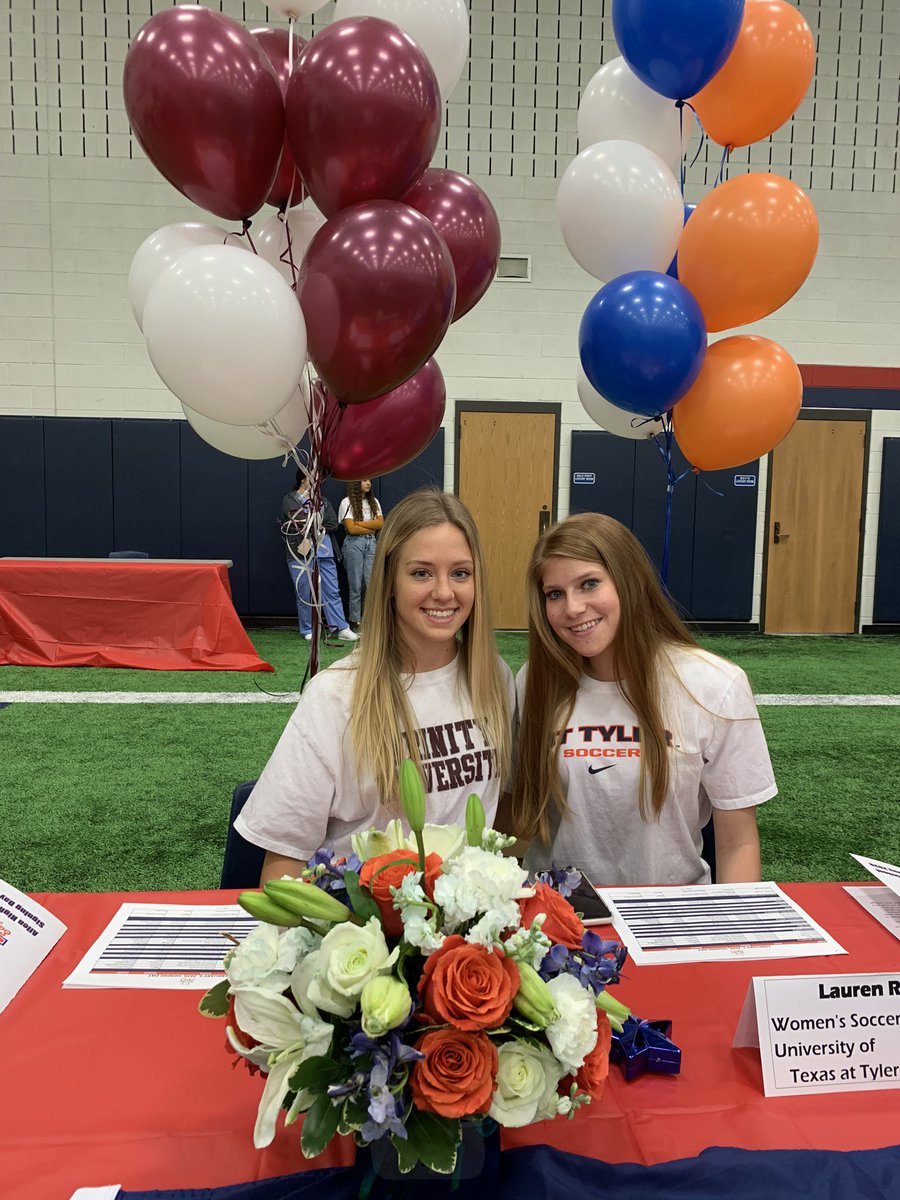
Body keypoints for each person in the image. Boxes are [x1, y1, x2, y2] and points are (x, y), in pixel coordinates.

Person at [237, 489, 515, 881]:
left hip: (464, 932)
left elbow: (499, 818)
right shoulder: (334, 696)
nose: (444, 592)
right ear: (388, 583)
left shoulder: (496, 679)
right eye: (421, 572)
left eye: (460, 572)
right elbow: (283, 862)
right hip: (362, 932)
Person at [507, 512, 776, 887]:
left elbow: (738, 842)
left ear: (629, 581)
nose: (572, 608)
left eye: (589, 584)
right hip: (555, 921)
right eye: (555, 594)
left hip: (670, 917)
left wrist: (728, 938)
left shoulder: (715, 685)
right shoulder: (534, 681)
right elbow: (518, 818)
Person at [283, 468, 358, 643]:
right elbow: (296, 522)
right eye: (313, 478)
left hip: (325, 552)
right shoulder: (289, 499)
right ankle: (307, 629)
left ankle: (341, 627)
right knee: (305, 592)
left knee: (332, 590)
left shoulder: (323, 500)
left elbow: (333, 523)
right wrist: (313, 522)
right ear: (303, 479)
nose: (318, 482)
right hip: (300, 554)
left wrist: (312, 521)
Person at [337, 479, 384, 632]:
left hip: (371, 543)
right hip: (354, 544)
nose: (369, 483)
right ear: (356, 483)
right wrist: (369, 526)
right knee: (355, 585)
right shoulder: (347, 502)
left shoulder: (374, 501)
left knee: (370, 584)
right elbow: (351, 529)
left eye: (370, 480)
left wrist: (360, 524)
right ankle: (355, 621)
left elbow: (380, 524)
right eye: (364, 480)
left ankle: (370, 620)